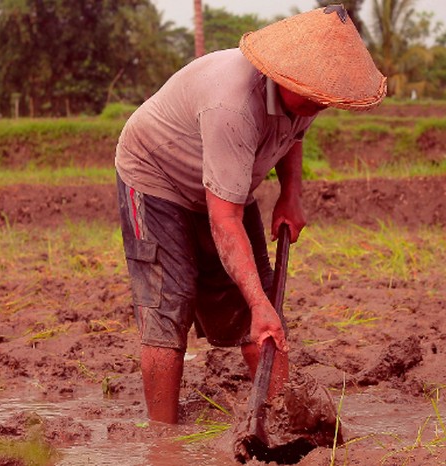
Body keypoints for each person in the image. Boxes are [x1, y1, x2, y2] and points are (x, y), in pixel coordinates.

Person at [114, 5, 386, 424]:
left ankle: (277, 420)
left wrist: (291, 193)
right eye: (314, 96)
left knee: (259, 308)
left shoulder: (307, 97)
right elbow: (224, 221)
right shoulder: (234, 105)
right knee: (170, 301)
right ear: (283, 77)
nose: (320, 104)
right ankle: (162, 437)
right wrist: (259, 301)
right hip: (156, 176)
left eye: (325, 98)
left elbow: (292, 134)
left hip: (226, 181)